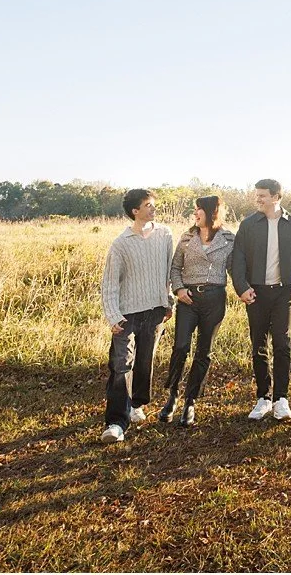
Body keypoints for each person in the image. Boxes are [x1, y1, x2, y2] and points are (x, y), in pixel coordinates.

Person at [228, 178, 291, 421]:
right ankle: (263, 398)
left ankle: (281, 399)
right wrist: (242, 288)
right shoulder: (249, 224)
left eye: (262, 195)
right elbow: (238, 259)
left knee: (282, 344)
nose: (258, 199)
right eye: (257, 195)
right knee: (258, 345)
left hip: (283, 291)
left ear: (276, 197)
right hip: (256, 293)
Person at [100, 188, 174, 443]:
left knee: (145, 361)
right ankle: (115, 423)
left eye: (153, 204)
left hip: (155, 311)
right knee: (122, 364)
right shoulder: (121, 243)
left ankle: (137, 404)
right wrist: (113, 316)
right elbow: (109, 283)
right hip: (127, 314)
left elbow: (168, 273)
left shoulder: (165, 235)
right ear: (135, 211)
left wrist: (168, 302)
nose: (153, 208)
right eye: (148, 205)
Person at [158, 194, 235, 427]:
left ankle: (190, 401)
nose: (195, 213)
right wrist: (179, 290)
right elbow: (175, 267)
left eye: (199, 209)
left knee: (204, 352)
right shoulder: (187, 237)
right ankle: (172, 395)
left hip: (214, 299)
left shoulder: (229, 238)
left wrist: (246, 289)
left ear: (212, 212)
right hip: (188, 299)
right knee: (181, 346)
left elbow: (236, 269)